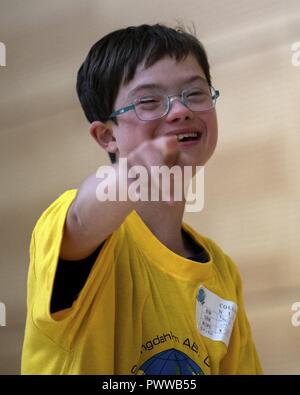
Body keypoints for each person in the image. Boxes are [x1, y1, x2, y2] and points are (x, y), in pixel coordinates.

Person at [21, 24, 262, 375]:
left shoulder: (222, 273)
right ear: (107, 136)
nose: (180, 110)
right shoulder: (81, 231)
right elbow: (81, 221)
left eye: (194, 93)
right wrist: (133, 173)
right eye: (149, 101)